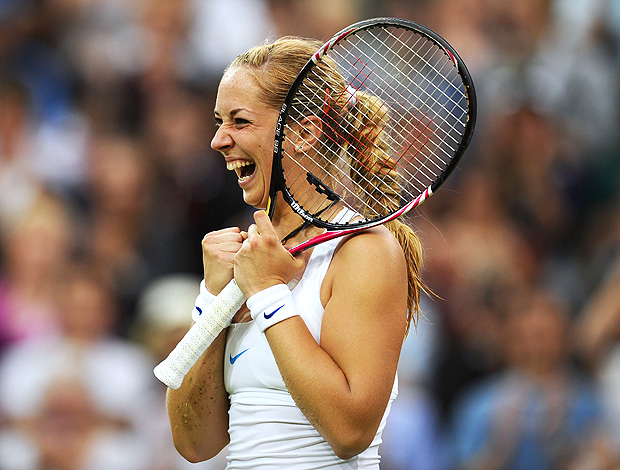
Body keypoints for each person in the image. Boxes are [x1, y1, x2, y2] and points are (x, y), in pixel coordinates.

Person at [165, 36, 426, 469]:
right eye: (218, 121)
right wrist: (212, 297)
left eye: (239, 121)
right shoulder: (251, 260)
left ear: (303, 132)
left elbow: (349, 432)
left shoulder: (365, 251)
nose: (217, 140)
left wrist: (268, 295)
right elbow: (194, 443)